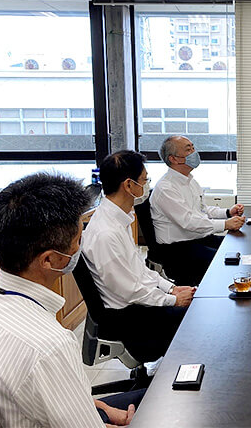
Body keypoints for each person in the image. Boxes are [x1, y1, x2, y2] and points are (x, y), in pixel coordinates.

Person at [0, 173, 142, 427]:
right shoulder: (50, 345)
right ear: (50, 260)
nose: (80, 247)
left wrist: (96, 407)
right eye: (78, 240)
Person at [82, 150, 195, 361]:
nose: (146, 187)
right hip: (127, 318)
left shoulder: (119, 218)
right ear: (128, 185)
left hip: (136, 305)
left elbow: (138, 270)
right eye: (144, 180)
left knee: (197, 311)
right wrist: (172, 300)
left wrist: (170, 288)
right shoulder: (106, 233)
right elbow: (129, 291)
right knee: (197, 324)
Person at [150, 135, 245, 285]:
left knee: (239, 249)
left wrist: (227, 212)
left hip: (197, 239)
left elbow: (202, 210)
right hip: (178, 250)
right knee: (228, 262)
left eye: (193, 147)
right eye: (189, 149)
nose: (194, 152)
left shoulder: (189, 181)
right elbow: (188, 222)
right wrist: (226, 224)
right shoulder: (166, 188)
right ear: (173, 159)